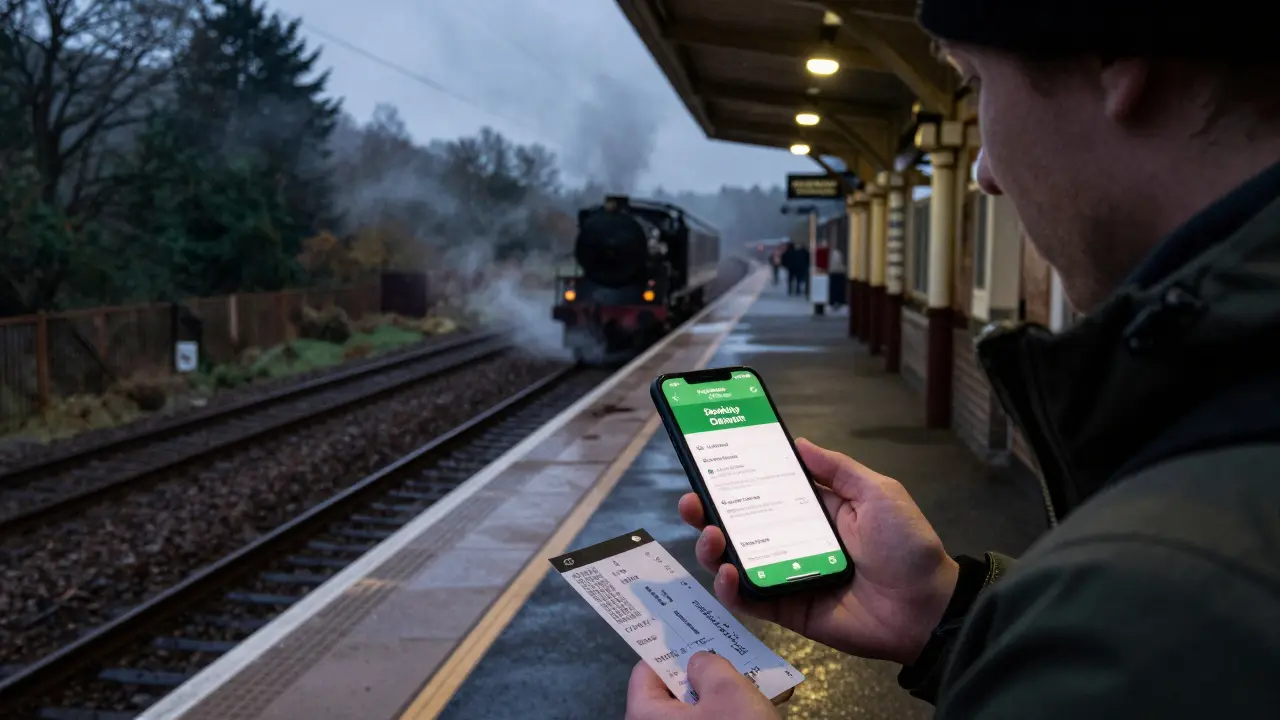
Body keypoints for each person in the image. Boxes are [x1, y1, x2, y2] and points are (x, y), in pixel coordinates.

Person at [626, 0, 1280, 717]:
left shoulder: (1170, 574)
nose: (983, 173)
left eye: (975, 84)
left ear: (1113, 60)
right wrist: (947, 613)